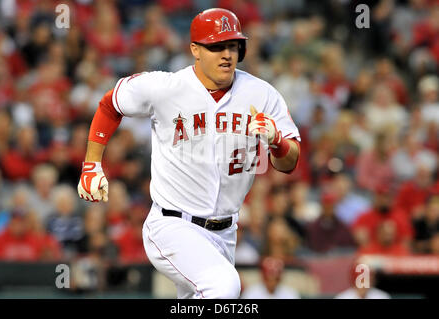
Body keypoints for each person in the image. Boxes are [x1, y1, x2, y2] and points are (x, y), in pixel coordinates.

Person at [77, 8, 301, 299]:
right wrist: (92, 164)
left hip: (226, 232)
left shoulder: (262, 95)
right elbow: (111, 104)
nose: (226, 54)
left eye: (232, 46)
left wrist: (276, 142)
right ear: (195, 49)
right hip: (172, 224)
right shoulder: (167, 87)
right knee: (224, 286)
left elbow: (290, 162)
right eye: (216, 46)